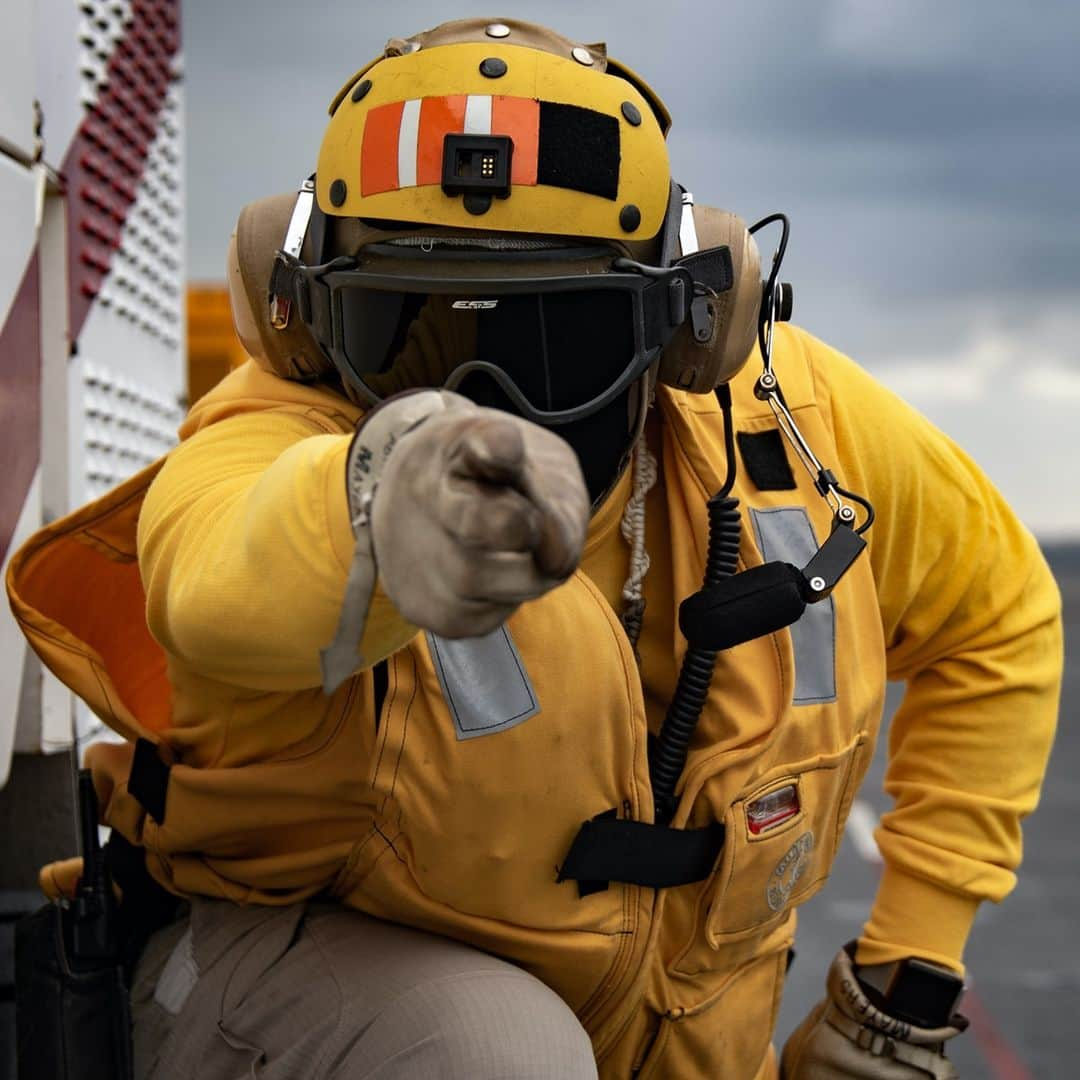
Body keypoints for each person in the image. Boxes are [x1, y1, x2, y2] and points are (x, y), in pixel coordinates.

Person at [7, 17, 1062, 1080]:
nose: (490, 402)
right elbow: (217, 585)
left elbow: (1000, 615)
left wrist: (904, 983)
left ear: (691, 324)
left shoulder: (793, 428)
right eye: (407, 334)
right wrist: (379, 503)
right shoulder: (277, 431)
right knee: (494, 1050)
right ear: (306, 322)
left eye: (557, 339)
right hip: (305, 995)